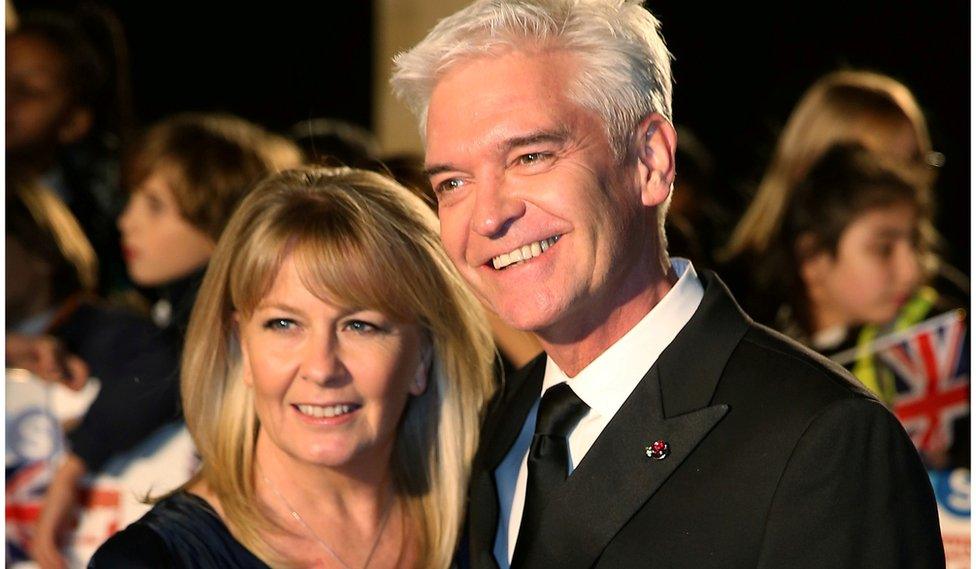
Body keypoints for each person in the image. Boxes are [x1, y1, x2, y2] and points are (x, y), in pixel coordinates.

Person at [391, 1, 944, 567]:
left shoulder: (824, 441)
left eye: (531, 156)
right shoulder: (494, 426)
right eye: (453, 182)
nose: (486, 218)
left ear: (650, 160)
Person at [90, 167, 496, 568]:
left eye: (360, 326)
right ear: (241, 346)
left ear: (422, 356)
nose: (321, 368)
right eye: (284, 324)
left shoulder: (496, 531)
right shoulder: (149, 562)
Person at [26, 113, 301, 569]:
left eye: (154, 205)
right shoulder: (167, 309)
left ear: (218, 220)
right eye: (131, 198)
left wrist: (73, 467)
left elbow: (166, 367)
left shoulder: (229, 318)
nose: (127, 220)